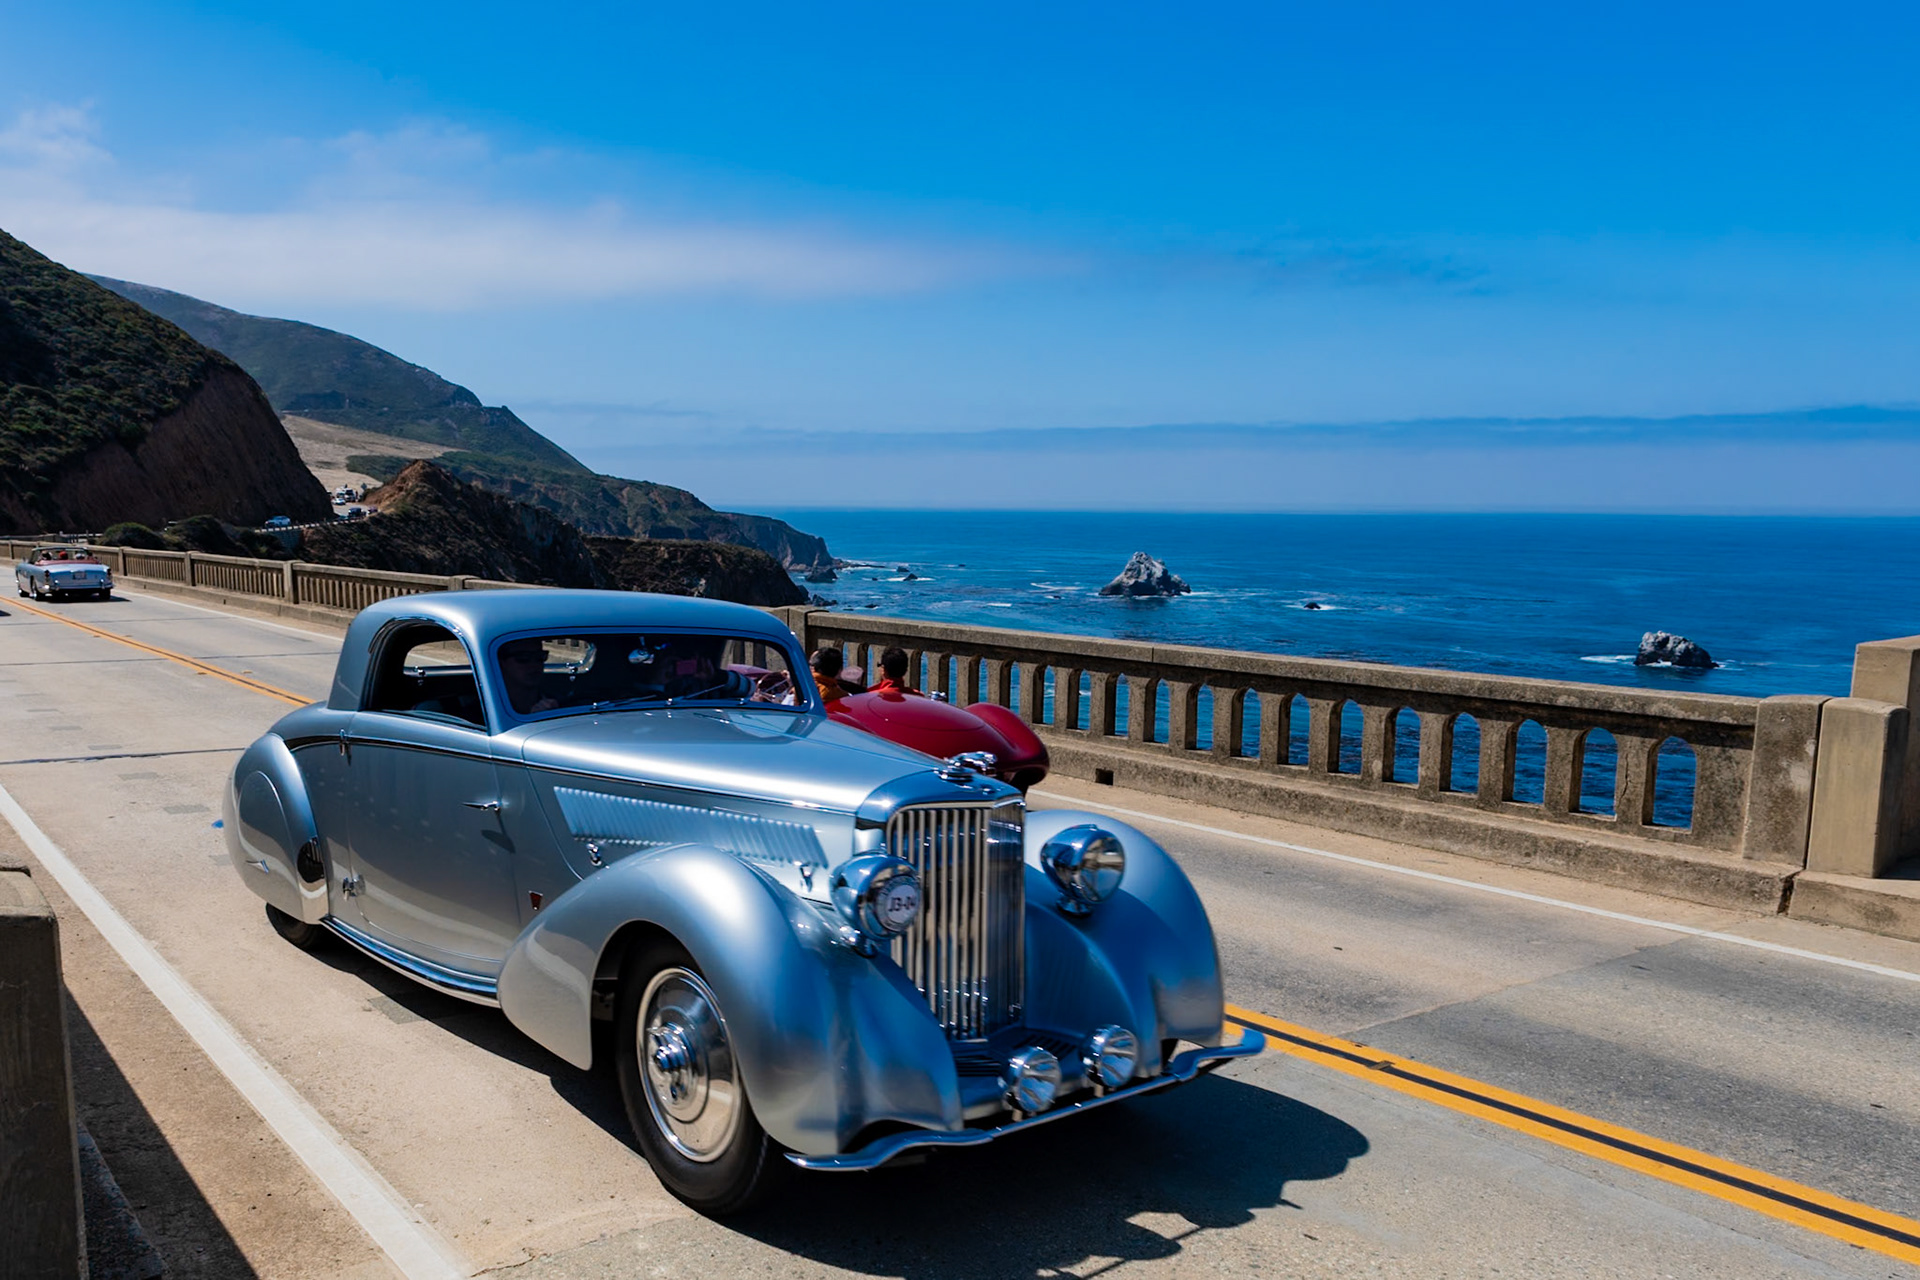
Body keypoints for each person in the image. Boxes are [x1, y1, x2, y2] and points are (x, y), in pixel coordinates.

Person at [498, 637, 560, 715]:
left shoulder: (559, 698)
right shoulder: (489, 705)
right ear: (502, 663)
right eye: (523, 658)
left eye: (540, 657)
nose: (534, 665)